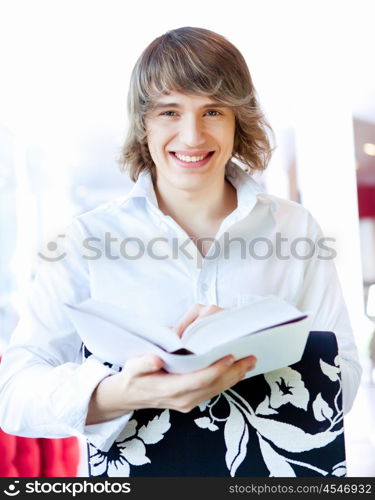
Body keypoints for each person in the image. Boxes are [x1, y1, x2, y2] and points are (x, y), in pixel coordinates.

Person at [0, 27, 361, 477]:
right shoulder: (87, 239)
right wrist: (119, 393)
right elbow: (14, 394)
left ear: (237, 121)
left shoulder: (294, 228)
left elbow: (342, 373)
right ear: (144, 124)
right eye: (170, 112)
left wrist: (247, 352)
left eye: (212, 111)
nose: (192, 136)